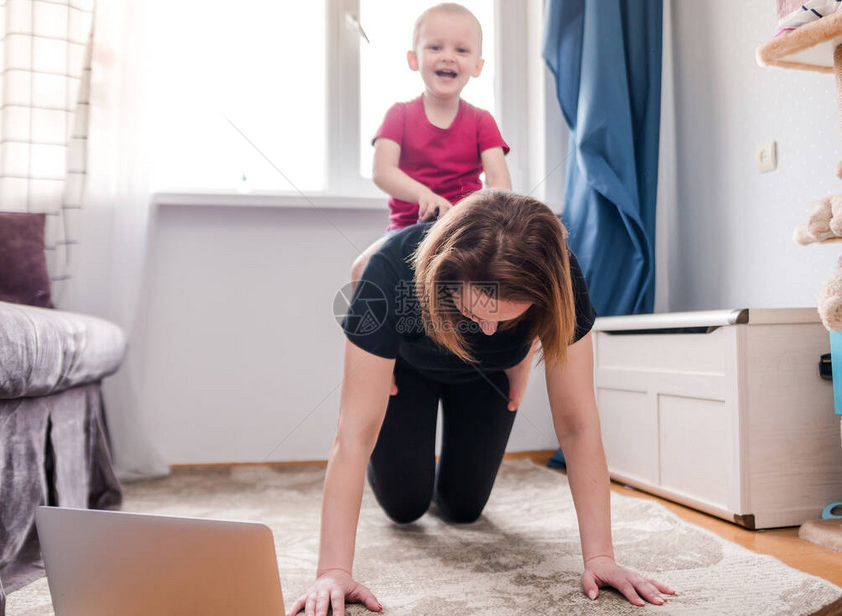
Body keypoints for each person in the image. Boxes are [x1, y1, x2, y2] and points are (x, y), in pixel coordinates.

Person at [287, 191, 676, 616]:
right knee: (405, 508)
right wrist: (332, 571)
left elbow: (578, 425)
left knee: (463, 508)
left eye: (507, 318)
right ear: (445, 278)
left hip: (488, 376)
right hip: (408, 372)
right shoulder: (392, 271)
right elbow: (353, 435)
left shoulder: (560, 276)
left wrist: (600, 558)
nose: (489, 330)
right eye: (476, 314)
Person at [350, 2, 512, 287]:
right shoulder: (398, 114)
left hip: (464, 232)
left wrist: (478, 214)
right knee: (361, 269)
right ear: (414, 59)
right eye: (435, 48)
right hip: (406, 230)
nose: (448, 57)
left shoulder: (481, 120)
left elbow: (499, 181)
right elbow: (382, 171)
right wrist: (424, 195)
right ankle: (374, 333)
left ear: (477, 66)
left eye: (461, 50)